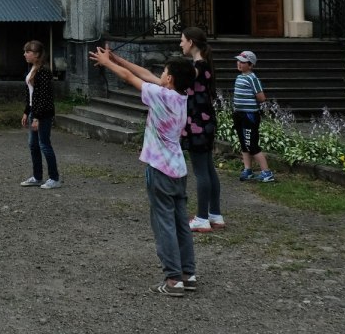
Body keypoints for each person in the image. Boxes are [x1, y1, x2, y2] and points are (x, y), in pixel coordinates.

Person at [91, 47, 197, 297]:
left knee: (164, 224)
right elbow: (145, 74)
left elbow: (131, 79)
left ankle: (172, 279)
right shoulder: (179, 96)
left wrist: (107, 64)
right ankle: (187, 273)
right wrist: (117, 59)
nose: (160, 73)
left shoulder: (161, 95)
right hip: (178, 170)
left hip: (159, 169)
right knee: (180, 222)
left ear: (169, 78)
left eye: (165, 71)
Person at [179, 26, 223, 233]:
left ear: (191, 43)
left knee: (200, 171)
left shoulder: (197, 66)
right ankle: (215, 214)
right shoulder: (205, 64)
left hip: (196, 122)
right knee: (208, 169)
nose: (180, 44)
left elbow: (180, 80)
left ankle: (202, 218)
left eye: (182, 40)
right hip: (206, 121)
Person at [19, 40, 62, 189]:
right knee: (33, 145)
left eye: (28, 52)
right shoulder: (33, 69)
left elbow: (43, 97)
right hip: (34, 111)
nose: (25, 54)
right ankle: (37, 177)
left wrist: (36, 117)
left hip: (43, 114)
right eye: (25, 51)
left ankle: (54, 178)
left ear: (36, 55)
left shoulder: (44, 71)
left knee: (44, 144)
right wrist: (27, 112)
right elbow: (31, 94)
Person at [232, 50, 276, 182]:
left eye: (243, 62)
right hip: (239, 114)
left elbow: (261, 97)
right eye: (238, 61)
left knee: (251, 144)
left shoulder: (252, 78)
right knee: (244, 144)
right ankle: (248, 170)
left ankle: (266, 173)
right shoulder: (239, 77)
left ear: (250, 65)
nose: (239, 63)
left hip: (249, 115)